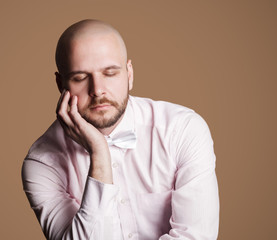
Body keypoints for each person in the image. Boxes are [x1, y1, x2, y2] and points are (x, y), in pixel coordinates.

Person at [22, 19, 219, 240]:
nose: (97, 90)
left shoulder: (182, 130)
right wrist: (99, 153)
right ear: (61, 85)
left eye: (110, 73)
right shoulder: (42, 162)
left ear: (129, 74)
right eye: (80, 77)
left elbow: (195, 236)